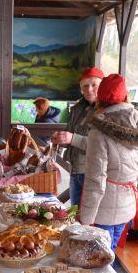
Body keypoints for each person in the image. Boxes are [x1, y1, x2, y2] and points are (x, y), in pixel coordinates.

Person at [78, 73, 138, 251]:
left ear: (100, 98)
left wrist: (86, 219)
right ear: (126, 96)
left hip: (103, 210)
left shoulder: (98, 132)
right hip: (127, 204)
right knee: (110, 250)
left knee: (99, 257)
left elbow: (95, 181)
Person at [53, 67, 104, 207]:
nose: (89, 89)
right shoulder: (77, 108)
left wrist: (72, 138)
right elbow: (70, 134)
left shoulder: (107, 110)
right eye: (85, 86)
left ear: (103, 86)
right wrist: (61, 139)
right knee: (75, 212)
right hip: (75, 170)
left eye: (94, 85)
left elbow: (102, 145)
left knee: (88, 215)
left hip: (94, 174)